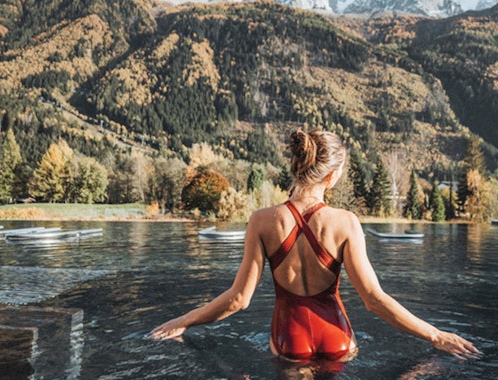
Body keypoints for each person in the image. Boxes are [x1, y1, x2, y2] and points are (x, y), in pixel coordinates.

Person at [149, 128, 478, 361]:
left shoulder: (261, 221)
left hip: (288, 339)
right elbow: (375, 301)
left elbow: (238, 300)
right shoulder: (345, 222)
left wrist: (183, 321)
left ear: (296, 166)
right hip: (338, 337)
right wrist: (437, 336)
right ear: (332, 176)